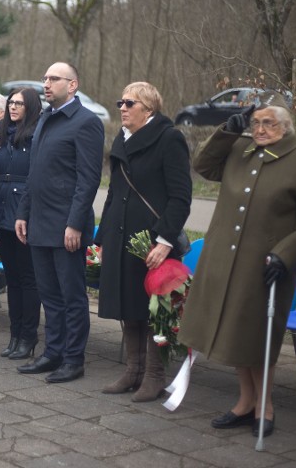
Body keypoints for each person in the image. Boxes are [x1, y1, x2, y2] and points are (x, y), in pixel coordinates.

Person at [178, 90, 296, 438]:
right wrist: (227, 131)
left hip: (265, 268)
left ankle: (265, 406)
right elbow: (203, 165)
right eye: (256, 123)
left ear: (286, 127)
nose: (260, 129)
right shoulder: (240, 150)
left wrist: (285, 255)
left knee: (259, 337)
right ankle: (245, 402)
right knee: (234, 333)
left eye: (268, 123)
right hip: (224, 262)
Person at [95, 82, 192, 401]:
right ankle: (133, 370)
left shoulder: (169, 139)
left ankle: (155, 374)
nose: (121, 107)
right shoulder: (122, 139)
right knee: (128, 304)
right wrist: (103, 236)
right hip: (122, 236)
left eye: (129, 103)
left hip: (153, 242)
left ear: (149, 109)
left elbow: (180, 197)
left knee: (155, 310)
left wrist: (164, 240)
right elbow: (114, 192)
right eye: (120, 102)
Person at [15, 62, 105, 383]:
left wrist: (76, 223)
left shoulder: (86, 123)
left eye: (54, 78)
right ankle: (52, 353)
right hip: (39, 221)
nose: (47, 83)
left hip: (67, 226)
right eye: (45, 78)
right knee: (49, 295)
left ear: (73, 85)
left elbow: (88, 178)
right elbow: (34, 173)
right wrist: (23, 213)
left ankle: (73, 359)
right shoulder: (44, 120)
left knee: (71, 296)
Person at [0, 85, 43, 360]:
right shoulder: (0, 134)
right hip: (1, 211)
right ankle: (14, 334)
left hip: (24, 212)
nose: (13, 107)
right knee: (12, 277)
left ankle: (28, 335)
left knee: (28, 278)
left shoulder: (36, 135)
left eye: (19, 104)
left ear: (31, 107)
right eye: (11, 102)